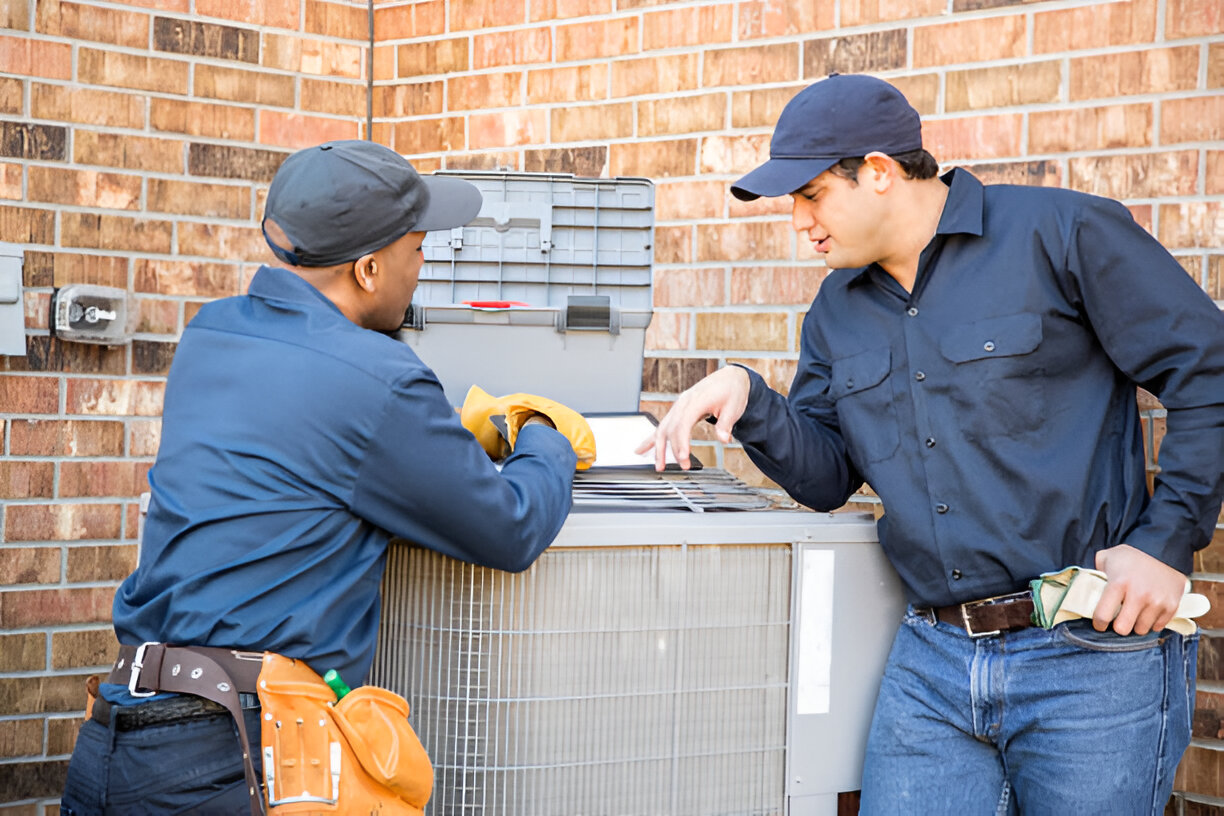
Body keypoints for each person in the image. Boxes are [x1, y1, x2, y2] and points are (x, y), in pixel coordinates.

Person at [640, 74, 1224, 814]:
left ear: (878, 172)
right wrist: (752, 400)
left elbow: (1209, 368)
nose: (798, 221)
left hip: (1091, 655)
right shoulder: (835, 311)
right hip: (933, 665)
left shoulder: (1062, 233)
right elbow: (826, 477)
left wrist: (1167, 541)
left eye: (811, 194)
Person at [61, 140, 587, 815]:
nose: (424, 260)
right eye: (416, 245)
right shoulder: (380, 381)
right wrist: (542, 435)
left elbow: (305, 440)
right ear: (368, 269)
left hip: (117, 741)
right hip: (231, 762)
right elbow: (510, 528)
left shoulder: (212, 333)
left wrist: (444, 430)